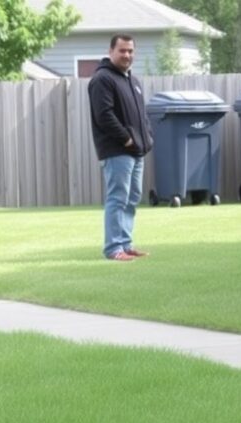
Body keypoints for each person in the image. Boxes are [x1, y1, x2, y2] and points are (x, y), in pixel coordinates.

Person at [88, 34, 153, 262]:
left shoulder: (132, 81)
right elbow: (104, 115)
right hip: (117, 150)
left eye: (130, 51)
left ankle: (126, 244)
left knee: (132, 197)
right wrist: (126, 139)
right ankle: (114, 248)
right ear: (111, 51)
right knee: (118, 197)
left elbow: (142, 115)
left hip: (136, 151)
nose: (127, 55)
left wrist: (147, 138)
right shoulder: (103, 79)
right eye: (122, 50)